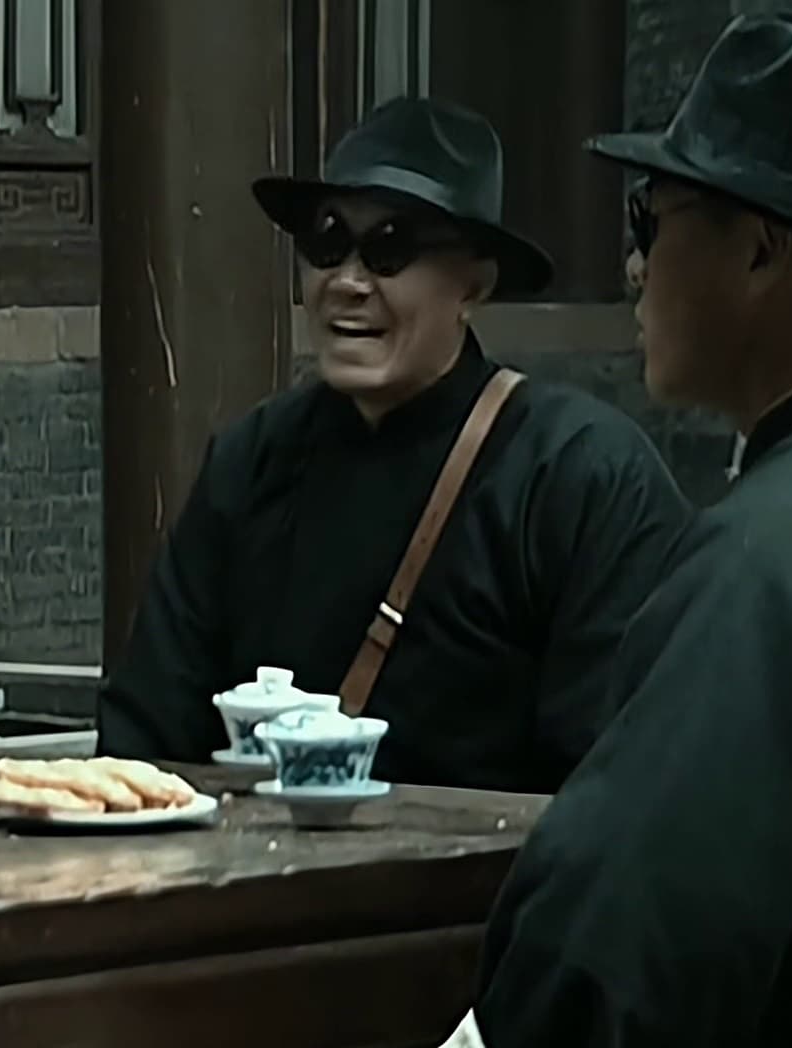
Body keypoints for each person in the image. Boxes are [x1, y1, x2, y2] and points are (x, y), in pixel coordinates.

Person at [413, 14, 792, 1048]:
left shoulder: (779, 556)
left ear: (762, 248)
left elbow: (615, 961)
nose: (636, 266)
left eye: (651, 217)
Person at [98, 98, 690, 795]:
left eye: (389, 248)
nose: (349, 283)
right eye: (327, 242)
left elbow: (613, 787)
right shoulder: (251, 459)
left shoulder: (579, 475)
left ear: (473, 285)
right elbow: (143, 741)